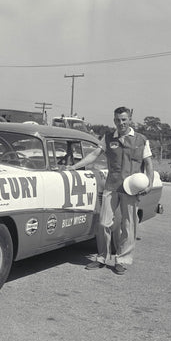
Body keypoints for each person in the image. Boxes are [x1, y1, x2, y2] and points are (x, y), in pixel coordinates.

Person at [68, 106, 154, 275]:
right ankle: (101, 258)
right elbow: (94, 155)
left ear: (129, 119)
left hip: (131, 189)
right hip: (112, 186)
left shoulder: (141, 140)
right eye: (117, 120)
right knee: (103, 223)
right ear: (114, 120)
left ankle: (122, 260)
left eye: (123, 119)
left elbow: (149, 163)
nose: (120, 123)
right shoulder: (108, 138)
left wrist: (149, 184)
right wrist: (75, 167)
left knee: (128, 226)